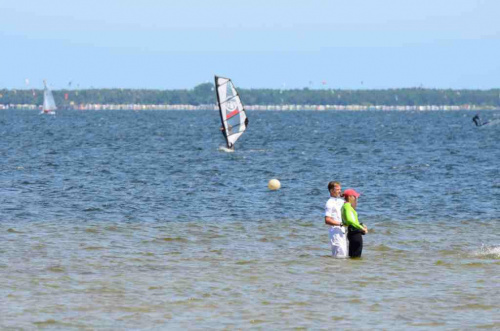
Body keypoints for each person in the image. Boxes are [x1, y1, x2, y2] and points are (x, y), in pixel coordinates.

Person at [341, 189, 368, 258]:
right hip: (355, 234)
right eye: (355, 197)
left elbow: (346, 222)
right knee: (356, 257)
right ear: (350, 197)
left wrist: (361, 224)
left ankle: (351, 269)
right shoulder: (347, 206)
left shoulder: (344, 206)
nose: (356, 199)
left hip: (352, 233)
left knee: (352, 257)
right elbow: (350, 220)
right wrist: (361, 228)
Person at [324, 181, 347, 258]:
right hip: (335, 232)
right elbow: (327, 220)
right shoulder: (329, 203)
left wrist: (346, 195)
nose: (340, 191)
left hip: (342, 231)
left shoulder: (340, 201)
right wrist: (340, 224)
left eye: (340, 189)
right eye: (337, 189)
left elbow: (350, 205)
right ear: (331, 191)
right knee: (339, 255)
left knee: (344, 254)